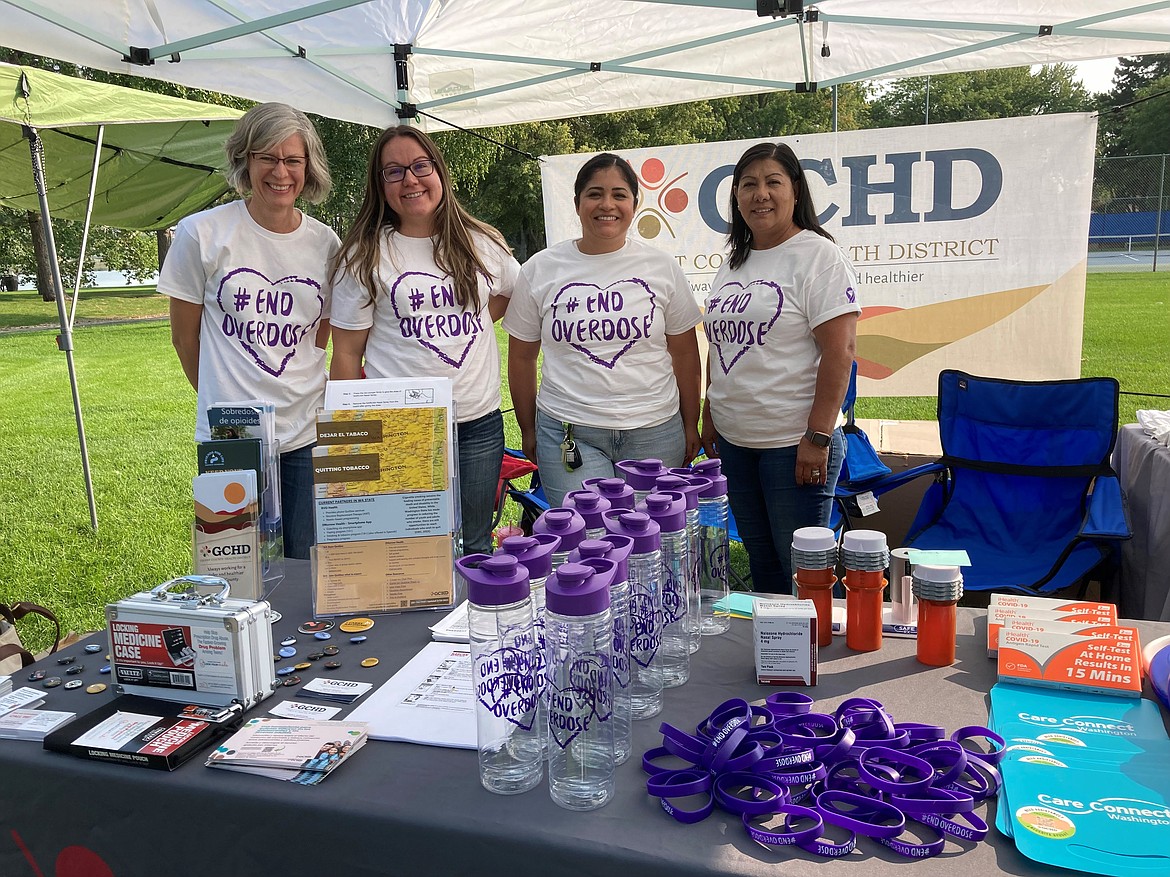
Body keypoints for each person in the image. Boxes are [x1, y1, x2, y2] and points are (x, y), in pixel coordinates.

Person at [329, 126, 519, 556]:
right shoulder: (365, 255)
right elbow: (346, 353)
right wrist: (347, 445)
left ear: (439, 171)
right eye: (393, 172)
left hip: (478, 422)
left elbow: (509, 292)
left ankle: (473, 623)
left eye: (419, 166)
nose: (410, 180)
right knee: (410, 551)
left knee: (474, 543)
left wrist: (466, 325)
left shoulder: (482, 242)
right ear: (380, 187)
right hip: (402, 427)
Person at [162, 102, 339, 560]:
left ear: (308, 167)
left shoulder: (326, 245)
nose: (281, 172)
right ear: (246, 161)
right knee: (237, 563)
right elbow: (184, 337)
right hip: (231, 437)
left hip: (306, 432)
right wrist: (222, 403)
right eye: (267, 157)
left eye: (292, 160)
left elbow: (320, 335)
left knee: (307, 563)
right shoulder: (200, 234)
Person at [700, 142, 860, 594]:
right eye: (748, 184)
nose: (760, 194)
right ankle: (772, 660)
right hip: (735, 443)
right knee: (762, 562)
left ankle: (809, 661)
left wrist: (817, 437)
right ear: (735, 197)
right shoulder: (736, 260)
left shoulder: (818, 256)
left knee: (801, 575)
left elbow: (840, 352)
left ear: (795, 191)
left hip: (793, 445)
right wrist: (711, 411)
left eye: (773, 182)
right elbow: (721, 344)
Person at [505, 152, 702, 508]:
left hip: (655, 431)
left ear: (635, 203)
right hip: (571, 433)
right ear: (578, 202)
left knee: (649, 542)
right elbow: (521, 356)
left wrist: (691, 423)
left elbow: (686, 351)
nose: (606, 204)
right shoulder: (541, 268)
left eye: (619, 194)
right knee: (588, 544)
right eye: (595, 194)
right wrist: (529, 428)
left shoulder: (662, 267)